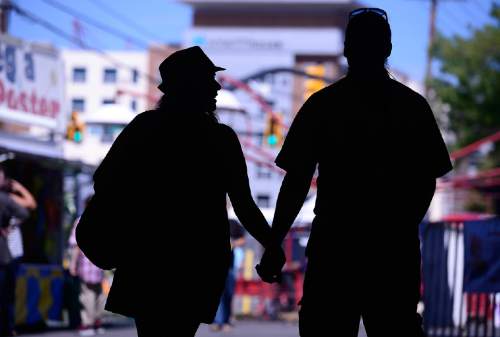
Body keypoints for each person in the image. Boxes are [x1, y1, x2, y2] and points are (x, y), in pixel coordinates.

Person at [257, 8, 452, 337]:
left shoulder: (322, 106)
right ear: (388, 49)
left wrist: (275, 242)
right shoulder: (413, 107)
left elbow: (295, 183)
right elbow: (427, 180)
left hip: (334, 250)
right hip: (393, 255)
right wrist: (400, 225)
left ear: (347, 49)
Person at [90, 46, 280, 337]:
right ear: (190, 85)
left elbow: (103, 181)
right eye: (208, 79)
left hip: (145, 257)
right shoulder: (220, 139)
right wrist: (272, 244)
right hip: (197, 263)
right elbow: (243, 204)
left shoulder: (144, 127)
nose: (216, 86)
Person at [0, 165, 36, 337]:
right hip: (6, 251)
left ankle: (8, 326)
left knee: (7, 292)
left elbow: (31, 204)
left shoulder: (9, 198)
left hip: (12, 250)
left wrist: (19, 188)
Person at [69, 196, 106, 337]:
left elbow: (76, 245)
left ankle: (88, 323)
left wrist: (72, 264)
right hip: (99, 266)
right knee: (98, 294)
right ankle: (97, 321)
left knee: (87, 295)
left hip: (86, 265)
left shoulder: (81, 221)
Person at [211, 217, 246, 332]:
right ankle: (218, 321)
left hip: (230, 266)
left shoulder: (233, 223)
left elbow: (242, 240)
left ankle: (226, 320)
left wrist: (233, 243)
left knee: (228, 295)